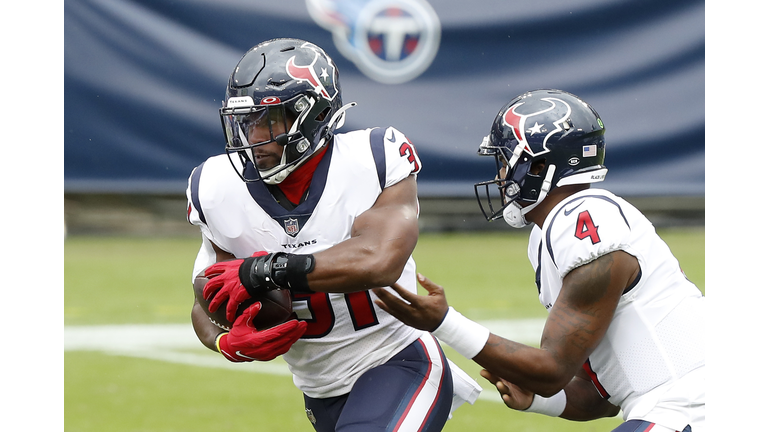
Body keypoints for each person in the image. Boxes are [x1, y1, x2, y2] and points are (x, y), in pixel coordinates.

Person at [185, 38, 481, 432]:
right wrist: (224, 341)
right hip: (318, 390)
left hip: (397, 360)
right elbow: (209, 297)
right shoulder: (215, 185)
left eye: (269, 121)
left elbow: (379, 260)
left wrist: (266, 270)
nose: (254, 138)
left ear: (315, 113)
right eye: (247, 122)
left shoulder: (374, 159)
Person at [373, 89, 705, 432]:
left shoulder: (584, 220)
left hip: (690, 407)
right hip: (677, 406)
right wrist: (539, 400)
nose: (501, 177)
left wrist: (444, 322)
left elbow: (551, 370)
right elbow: (604, 395)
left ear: (540, 165)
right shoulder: (558, 229)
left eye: (505, 163)